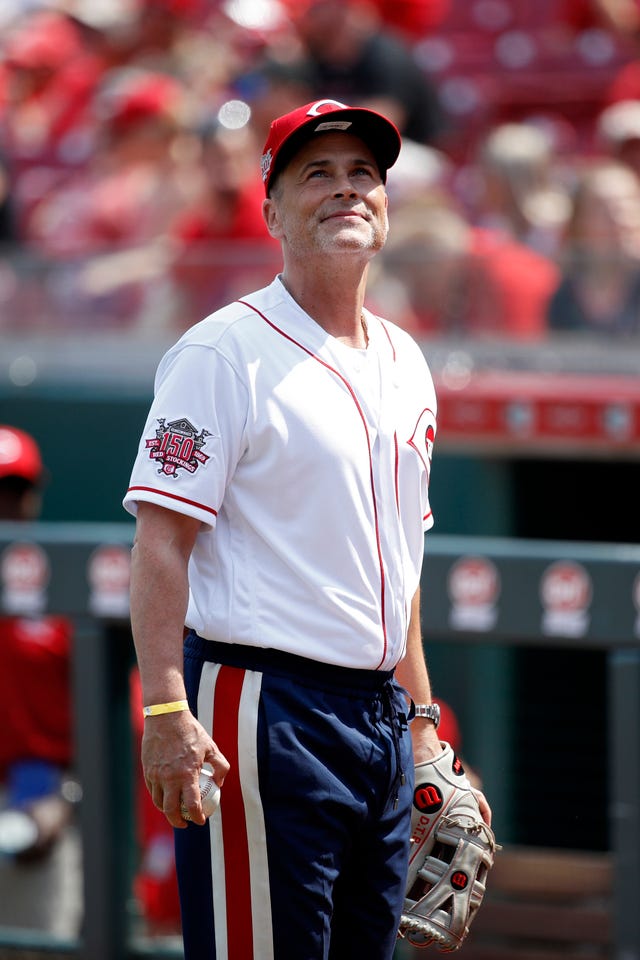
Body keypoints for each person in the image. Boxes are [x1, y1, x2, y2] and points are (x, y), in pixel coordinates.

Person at [123, 98, 491, 960]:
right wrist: (167, 709)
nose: (347, 190)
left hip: (378, 715)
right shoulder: (222, 353)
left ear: (389, 203)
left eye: (363, 173)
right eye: (316, 174)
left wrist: (423, 722)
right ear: (272, 211)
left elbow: (399, 568)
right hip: (260, 701)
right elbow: (160, 543)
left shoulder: (405, 359)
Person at [0, 425, 81, 936]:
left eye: (16, 491)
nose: (6, 506)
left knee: (40, 945)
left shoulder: (63, 590)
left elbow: (108, 719)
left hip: (41, 804)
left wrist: (70, 798)